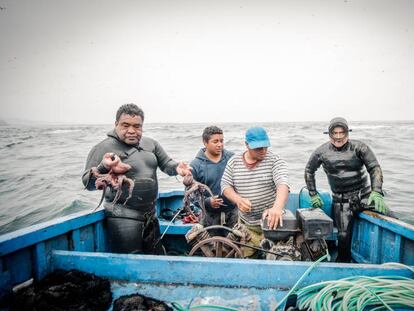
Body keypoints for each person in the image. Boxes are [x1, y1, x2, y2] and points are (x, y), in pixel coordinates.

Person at [82, 103, 191, 254]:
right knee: (131, 264)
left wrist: (178, 168)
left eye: (137, 126)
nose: (132, 131)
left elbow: (167, 164)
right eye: (125, 125)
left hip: (151, 216)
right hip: (122, 218)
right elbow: (88, 183)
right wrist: (103, 167)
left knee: (156, 258)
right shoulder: (103, 147)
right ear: (116, 124)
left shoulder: (151, 144)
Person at [304, 117, 390, 262]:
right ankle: (343, 265)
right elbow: (308, 170)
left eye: (341, 133)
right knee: (343, 236)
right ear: (329, 134)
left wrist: (376, 191)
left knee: (388, 214)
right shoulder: (321, 152)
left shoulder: (360, 147)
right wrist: (313, 193)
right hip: (341, 201)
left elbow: (374, 168)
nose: (338, 137)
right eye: (335, 133)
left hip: (364, 195)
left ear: (347, 133)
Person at [221, 126, 290, 258]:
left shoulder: (275, 161)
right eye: (258, 148)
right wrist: (238, 200)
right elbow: (225, 185)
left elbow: (283, 184)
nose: (263, 151)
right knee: (244, 259)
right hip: (246, 225)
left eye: (266, 147)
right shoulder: (234, 161)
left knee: (275, 258)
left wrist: (277, 207)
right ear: (247, 145)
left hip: (272, 225)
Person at [190, 126, 237, 231]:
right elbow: (190, 194)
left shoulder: (232, 158)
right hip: (209, 216)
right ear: (205, 142)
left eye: (221, 141)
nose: (220, 144)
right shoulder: (196, 165)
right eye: (215, 142)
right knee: (211, 245)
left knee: (236, 245)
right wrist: (207, 202)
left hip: (233, 213)